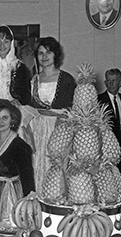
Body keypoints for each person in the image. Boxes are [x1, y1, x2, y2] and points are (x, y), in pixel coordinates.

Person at [29, 37, 76, 193]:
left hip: (60, 127)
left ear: (56, 55)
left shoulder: (67, 79)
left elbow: (73, 109)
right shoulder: (34, 80)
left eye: (48, 52)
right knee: (38, 163)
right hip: (38, 129)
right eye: (40, 53)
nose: (44, 56)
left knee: (57, 166)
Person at [0, 100, 35, 224]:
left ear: (12, 120)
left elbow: (27, 178)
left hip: (10, 195)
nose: (0, 121)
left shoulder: (20, 146)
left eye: (5, 117)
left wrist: (28, 205)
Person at [98, 68, 121, 175]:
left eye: (114, 80)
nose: (110, 83)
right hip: (106, 147)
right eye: (108, 81)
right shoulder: (99, 100)